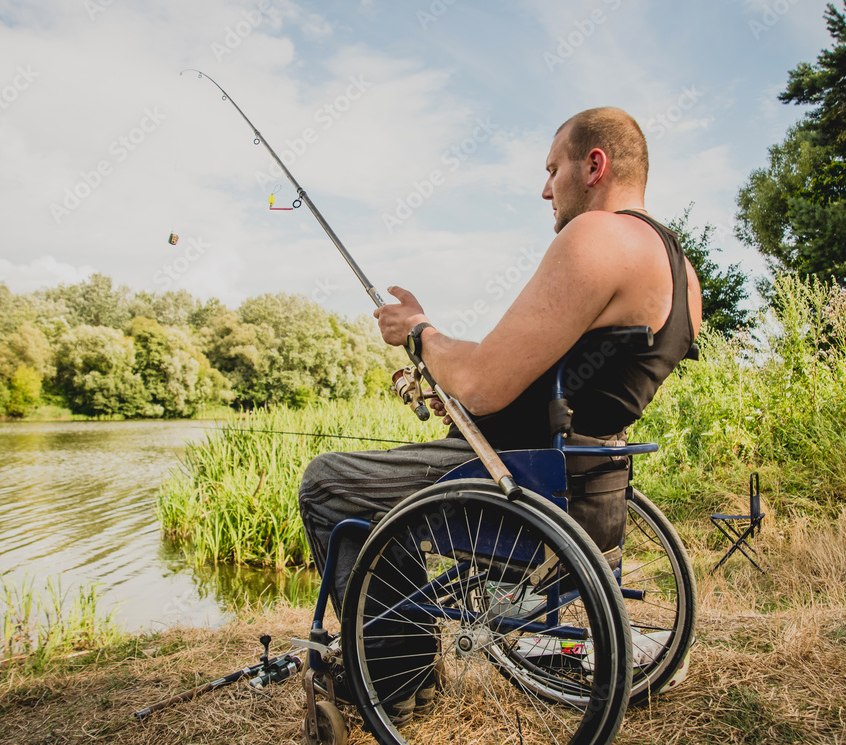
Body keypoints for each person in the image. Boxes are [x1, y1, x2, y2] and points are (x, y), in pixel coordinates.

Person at [298, 106, 702, 711]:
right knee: (371, 480)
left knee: (327, 483)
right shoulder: (682, 271)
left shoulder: (597, 237)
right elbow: (559, 384)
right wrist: (458, 391)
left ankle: (394, 681)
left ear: (595, 165)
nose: (545, 189)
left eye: (553, 169)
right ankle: (400, 657)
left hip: (520, 481)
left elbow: (485, 382)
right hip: (589, 482)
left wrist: (419, 331)